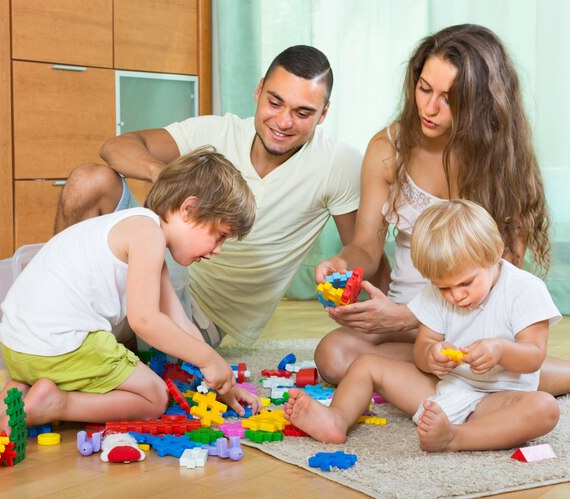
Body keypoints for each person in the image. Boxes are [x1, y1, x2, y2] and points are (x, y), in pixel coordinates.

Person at [53, 44, 371, 347]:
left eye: (303, 113)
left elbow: (363, 248)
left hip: (202, 314)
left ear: (324, 114)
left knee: (109, 342)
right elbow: (115, 147)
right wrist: (167, 175)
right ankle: (51, 309)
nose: (284, 122)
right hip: (153, 262)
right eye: (275, 103)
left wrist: (341, 264)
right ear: (259, 90)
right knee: (88, 180)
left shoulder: (337, 164)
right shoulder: (215, 132)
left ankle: (59, 339)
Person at [313, 24, 569, 395]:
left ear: (481, 103)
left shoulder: (503, 161)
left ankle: (482, 375)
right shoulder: (388, 149)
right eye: (424, 88)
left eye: (449, 98)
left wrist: (416, 318)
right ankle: (472, 377)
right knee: (333, 356)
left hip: (478, 323)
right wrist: (341, 264)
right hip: (412, 325)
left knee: (475, 356)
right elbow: (366, 247)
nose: (429, 108)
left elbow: (505, 274)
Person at [0, 148, 261, 433]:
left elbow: (179, 321)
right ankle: (57, 403)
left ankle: (11, 396)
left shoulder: (136, 228)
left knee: (67, 359)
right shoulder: (147, 235)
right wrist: (208, 358)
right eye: (220, 235)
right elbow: (145, 321)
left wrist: (224, 384)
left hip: (17, 348)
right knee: (154, 397)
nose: (218, 250)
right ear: (188, 209)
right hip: (59, 346)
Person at [285, 200, 561, 452]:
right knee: (367, 363)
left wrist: (501, 350)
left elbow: (534, 356)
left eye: (466, 283)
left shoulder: (524, 289)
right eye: (444, 288)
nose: (456, 296)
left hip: (499, 399)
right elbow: (422, 348)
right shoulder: (436, 291)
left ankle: (456, 437)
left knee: (544, 408)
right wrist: (432, 356)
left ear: (495, 254)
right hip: (446, 388)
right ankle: (337, 418)